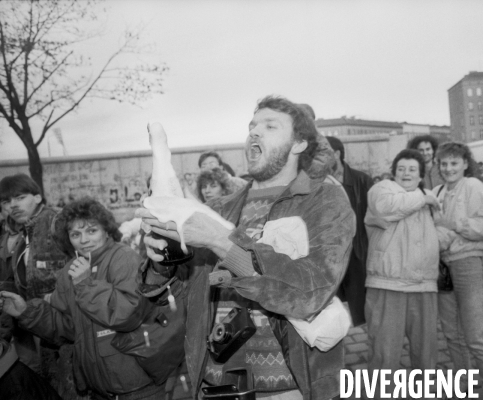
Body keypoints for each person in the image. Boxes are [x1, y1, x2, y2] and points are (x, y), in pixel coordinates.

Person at [137, 95, 355, 400]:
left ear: (299, 144)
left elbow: (313, 291)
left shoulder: (325, 201)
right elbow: (168, 290)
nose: (254, 132)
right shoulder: (219, 208)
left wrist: (220, 241)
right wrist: (160, 258)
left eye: (270, 126)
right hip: (216, 381)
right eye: (252, 126)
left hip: (289, 387)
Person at [0, 197, 165, 399]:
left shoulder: (124, 258)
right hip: (98, 387)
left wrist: (85, 284)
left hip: (138, 385)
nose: (84, 240)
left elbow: (127, 315)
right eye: (75, 234)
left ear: (106, 230)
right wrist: (26, 311)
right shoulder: (71, 269)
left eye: (91, 231)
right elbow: (68, 328)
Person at [364, 149, 440, 391]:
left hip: (424, 284)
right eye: (402, 169)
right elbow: (389, 208)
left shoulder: (428, 197)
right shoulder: (382, 190)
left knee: (426, 355)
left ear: (421, 175)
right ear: (393, 172)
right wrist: (424, 199)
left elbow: (441, 228)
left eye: (412, 169)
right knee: (384, 354)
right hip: (388, 284)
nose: (406, 173)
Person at [433, 142, 483, 398]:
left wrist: (456, 226)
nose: (448, 168)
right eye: (444, 163)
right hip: (443, 266)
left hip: (468, 263)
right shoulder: (437, 192)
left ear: (465, 163)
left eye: (454, 163)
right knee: (452, 333)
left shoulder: (474, 186)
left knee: (475, 334)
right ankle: (465, 383)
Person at [0, 174, 69, 390]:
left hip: (65, 327)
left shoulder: (57, 224)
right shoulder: (23, 237)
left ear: (38, 197)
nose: (13, 205)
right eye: (6, 201)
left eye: (20, 197)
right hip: (36, 325)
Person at [326, 136, 373, 326]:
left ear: (337, 154)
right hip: (330, 258)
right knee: (330, 312)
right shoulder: (316, 183)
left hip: (358, 256)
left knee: (363, 314)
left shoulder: (362, 180)